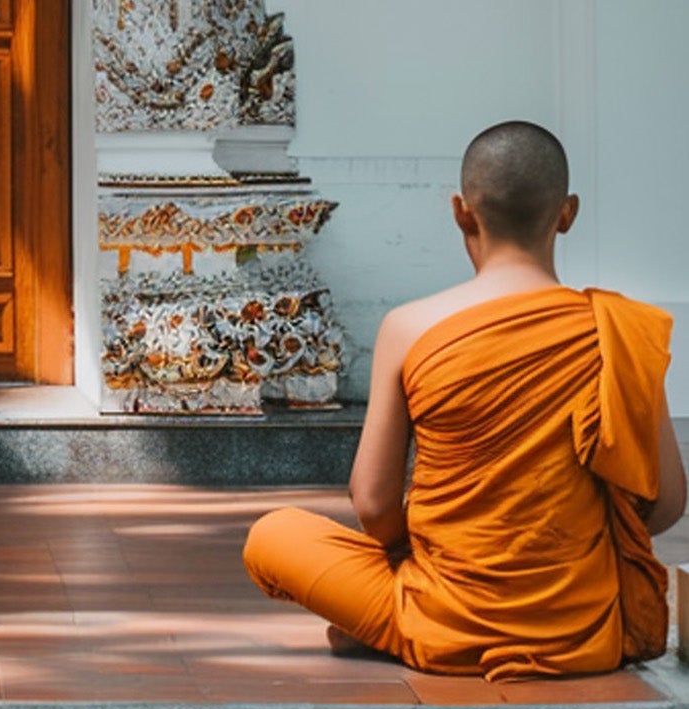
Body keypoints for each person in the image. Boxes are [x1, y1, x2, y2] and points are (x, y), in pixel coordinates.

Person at [244, 120, 684, 680]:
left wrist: (421, 557)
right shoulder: (619, 330)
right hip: (581, 631)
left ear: (460, 211)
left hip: (442, 616)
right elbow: (665, 505)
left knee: (273, 535)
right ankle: (395, 622)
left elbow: (374, 504)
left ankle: (390, 623)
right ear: (568, 213)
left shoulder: (408, 328)